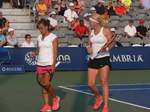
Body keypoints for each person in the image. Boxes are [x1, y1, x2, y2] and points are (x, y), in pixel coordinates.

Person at [86, 14, 115, 112]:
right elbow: (88, 43)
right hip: (93, 59)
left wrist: (106, 48)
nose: (89, 23)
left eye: (90, 21)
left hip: (104, 59)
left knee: (103, 83)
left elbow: (112, 44)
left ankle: (106, 106)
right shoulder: (91, 32)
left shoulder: (105, 30)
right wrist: (88, 48)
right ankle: (98, 97)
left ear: (95, 22)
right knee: (90, 84)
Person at [30, 19, 60, 112]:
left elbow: (55, 52)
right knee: (42, 86)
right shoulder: (39, 38)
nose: (40, 30)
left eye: (42, 28)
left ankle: (55, 98)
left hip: (49, 64)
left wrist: (53, 64)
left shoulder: (53, 37)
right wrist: (33, 53)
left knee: (46, 84)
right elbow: (38, 50)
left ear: (46, 27)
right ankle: (46, 105)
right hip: (40, 63)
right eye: (39, 28)